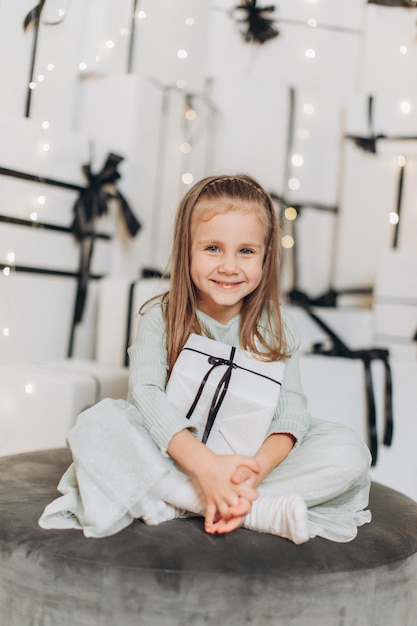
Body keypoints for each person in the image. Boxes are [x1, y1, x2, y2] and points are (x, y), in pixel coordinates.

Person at [39, 173, 372, 544]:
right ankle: (240, 506)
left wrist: (253, 472)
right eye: (213, 248)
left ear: (266, 255)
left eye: (246, 251)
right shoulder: (159, 317)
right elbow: (146, 397)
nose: (229, 266)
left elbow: (291, 414)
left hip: (247, 462)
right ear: (187, 250)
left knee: (349, 451)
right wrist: (206, 466)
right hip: (176, 456)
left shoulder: (278, 326)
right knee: (97, 423)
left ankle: (199, 498)